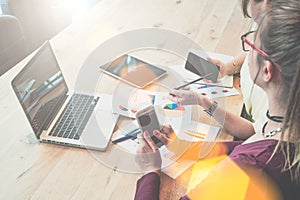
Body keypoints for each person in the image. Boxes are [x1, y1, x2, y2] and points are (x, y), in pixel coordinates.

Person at [134, 0, 300, 199]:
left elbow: (249, 154)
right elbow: (251, 139)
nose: (246, 53)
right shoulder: (286, 121)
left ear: (267, 70)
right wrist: (181, 145)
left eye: (252, 45)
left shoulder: (249, 168)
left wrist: (150, 172)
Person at [209, 0, 270, 134]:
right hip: (243, 104)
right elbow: (254, 49)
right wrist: (230, 66)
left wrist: (208, 106)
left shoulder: (276, 107)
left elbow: (254, 132)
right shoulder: (271, 24)